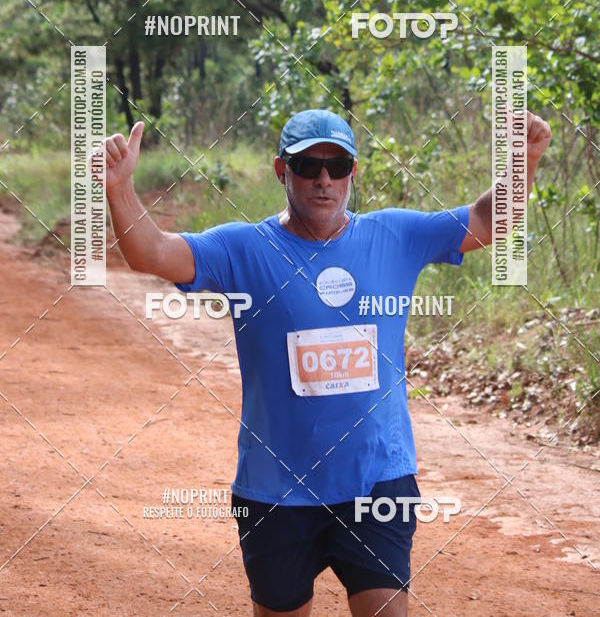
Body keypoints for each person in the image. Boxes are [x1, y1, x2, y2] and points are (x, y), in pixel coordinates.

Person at [103, 107, 551, 616]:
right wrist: (119, 188)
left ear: (353, 173)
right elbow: (152, 253)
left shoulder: (395, 236)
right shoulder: (244, 248)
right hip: (276, 491)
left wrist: (523, 159)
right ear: (281, 170)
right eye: (308, 165)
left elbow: (488, 221)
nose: (324, 179)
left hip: (375, 481)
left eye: (337, 167)